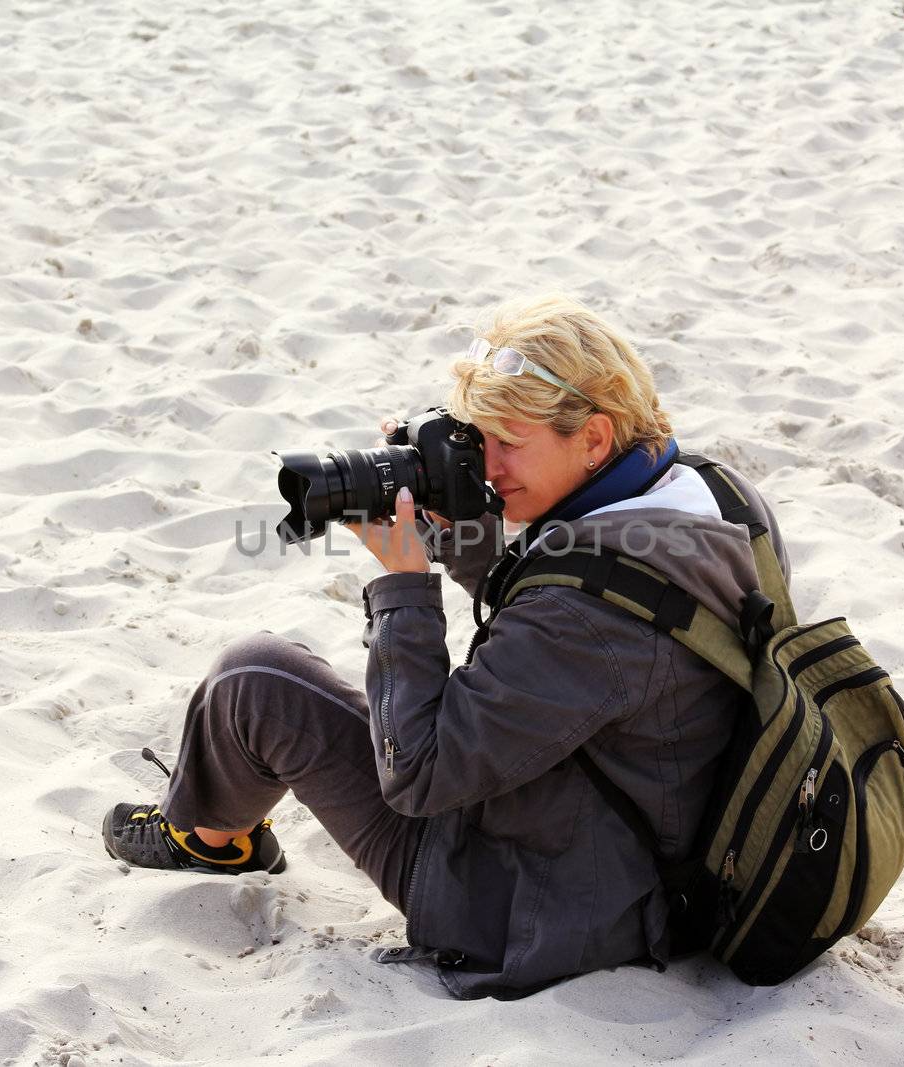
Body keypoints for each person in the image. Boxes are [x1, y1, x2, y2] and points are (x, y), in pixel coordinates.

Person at [100, 294, 790, 999]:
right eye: (479, 438)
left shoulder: (581, 614)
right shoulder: (722, 502)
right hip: (668, 867)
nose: (489, 466)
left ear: (593, 436)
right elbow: (580, 659)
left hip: (534, 908)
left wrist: (405, 585)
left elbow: (421, 774)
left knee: (253, 681)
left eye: (509, 440)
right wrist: (461, 531)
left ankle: (206, 840)